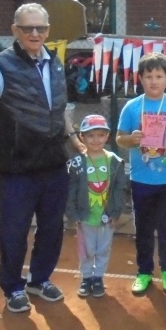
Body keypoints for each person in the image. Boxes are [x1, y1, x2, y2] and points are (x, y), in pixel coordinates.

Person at [0, 3, 85, 314]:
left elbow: (59, 109)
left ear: (48, 31)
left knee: (52, 227)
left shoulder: (56, 63)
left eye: (41, 28)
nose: (35, 34)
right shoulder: (0, 66)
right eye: (27, 28)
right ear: (15, 31)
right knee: (14, 229)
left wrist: (74, 139)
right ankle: (12, 286)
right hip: (17, 165)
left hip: (53, 162)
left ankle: (39, 279)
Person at [116, 52, 166, 295]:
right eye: (148, 76)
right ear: (140, 78)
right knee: (144, 228)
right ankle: (144, 271)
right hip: (141, 178)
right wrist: (133, 138)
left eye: (159, 76)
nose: (154, 81)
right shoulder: (132, 106)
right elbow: (119, 139)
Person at [66, 114, 127, 298]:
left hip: (106, 216)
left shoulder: (114, 162)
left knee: (103, 249)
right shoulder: (76, 163)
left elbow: (119, 188)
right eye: (91, 135)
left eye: (100, 135)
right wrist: (73, 215)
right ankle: (86, 277)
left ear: (107, 136)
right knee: (86, 250)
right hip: (85, 216)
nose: (96, 140)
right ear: (82, 137)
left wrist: (116, 211)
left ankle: (98, 277)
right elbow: (70, 190)